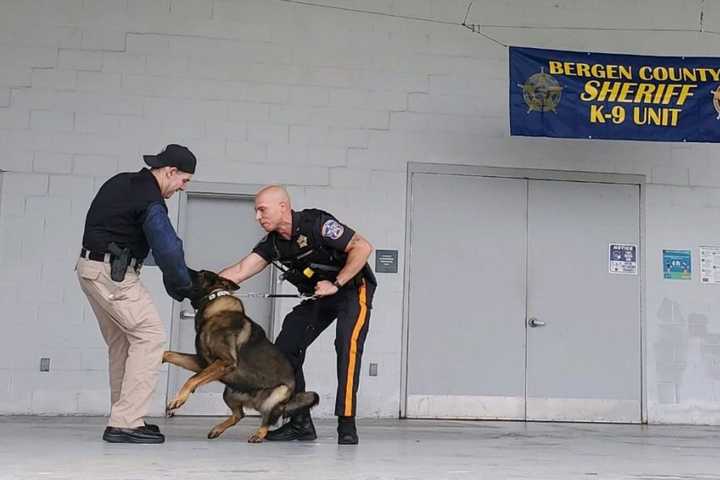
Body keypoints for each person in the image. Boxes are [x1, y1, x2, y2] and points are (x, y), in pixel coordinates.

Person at [219, 185, 377, 445]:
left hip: (351, 289)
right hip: (319, 295)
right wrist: (201, 286)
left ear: (283, 206)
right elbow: (240, 270)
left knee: (346, 346)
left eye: (262, 210)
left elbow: (362, 246)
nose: (258, 217)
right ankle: (300, 422)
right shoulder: (273, 244)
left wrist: (336, 283)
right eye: (256, 212)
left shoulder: (317, 224)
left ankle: (346, 423)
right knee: (284, 351)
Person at [76, 144, 199, 444]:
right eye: (184, 181)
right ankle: (126, 422)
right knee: (150, 337)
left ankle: (125, 416)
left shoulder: (123, 182)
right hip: (112, 274)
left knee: (123, 343)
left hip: (91, 268)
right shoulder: (150, 198)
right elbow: (168, 247)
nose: (182, 188)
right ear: (170, 171)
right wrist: (184, 287)